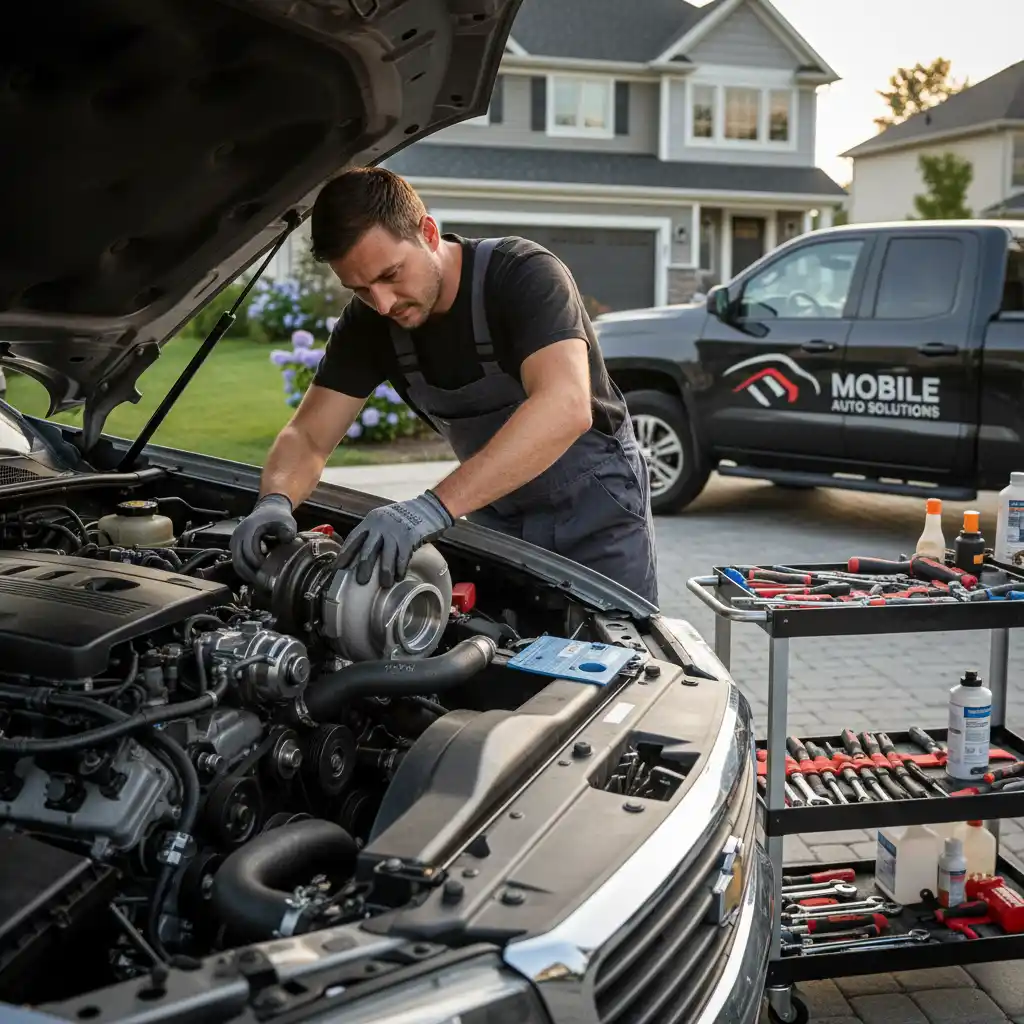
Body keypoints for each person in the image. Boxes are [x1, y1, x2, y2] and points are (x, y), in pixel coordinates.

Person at [230, 167, 658, 605]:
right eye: (360, 289)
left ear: (428, 233)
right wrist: (275, 499)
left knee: (612, 645)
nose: (383, 304)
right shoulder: (369, 324)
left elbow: (565, 405)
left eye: (390, 275)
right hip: (498, 517)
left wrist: (432, 508)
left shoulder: (522, 275)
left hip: (597, 517)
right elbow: (308, 436)